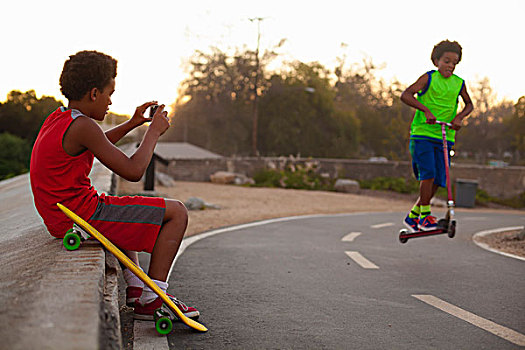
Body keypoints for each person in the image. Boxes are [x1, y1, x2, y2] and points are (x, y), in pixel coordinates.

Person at [30, 50, 199, 320]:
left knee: (119, 207)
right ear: (94, 93)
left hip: (63, 217)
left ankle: (135, 286)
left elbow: (98, 142)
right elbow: (133, 171)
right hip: (81, 217)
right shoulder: (84, 126)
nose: (111, 101)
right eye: (110, 93)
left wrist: (132, 124)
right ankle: (152, 297)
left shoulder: (61, 118)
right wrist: (153, 133)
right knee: (177, 212)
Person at [400, 40, 473, 231]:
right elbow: (406, 95)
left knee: (440, 179)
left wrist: (459, 118)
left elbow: (469, 104)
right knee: (428, 173)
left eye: (454, 63)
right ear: (436, 61)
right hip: (423, 134)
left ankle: (414, 215)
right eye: (446, 61)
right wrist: (425, 111)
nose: (450, 65)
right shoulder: (429, 78)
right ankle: (425, 215)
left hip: (445, 136)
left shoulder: (459, 83)